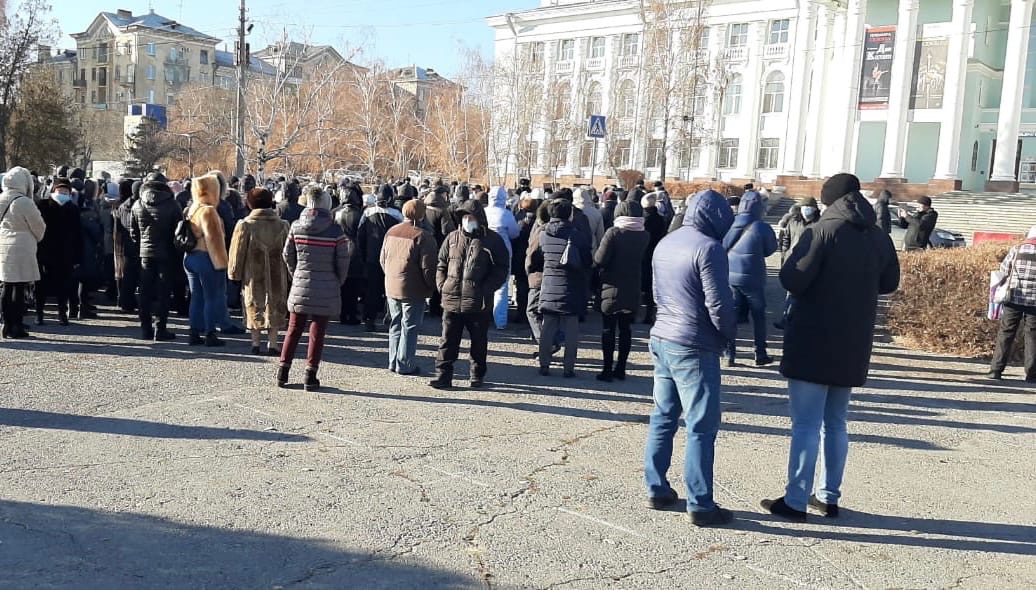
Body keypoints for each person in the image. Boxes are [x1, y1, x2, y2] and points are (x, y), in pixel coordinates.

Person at [761, 173, 900, 522]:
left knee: (806, 424)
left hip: (813, 337)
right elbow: (890, 282)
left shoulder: (821, 230)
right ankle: (828, 496)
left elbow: (793, 279)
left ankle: (795, 500)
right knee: (836, 423)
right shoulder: (878, 234)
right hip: (853, 341)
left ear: (829, 199)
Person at [643, 189, 736, 527]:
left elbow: (655, 293)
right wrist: (728, 336)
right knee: (701, 425)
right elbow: (719, 304)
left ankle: (656, 488)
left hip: (663, 336)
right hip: (694, 344)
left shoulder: (666, 242)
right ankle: (701, 504)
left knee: (663, 416)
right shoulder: (710, 248)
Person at [429, 200, 510, 390]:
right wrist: (442, 285)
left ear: (479, 219)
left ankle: (477, 375)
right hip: (452, 298)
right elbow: (441, 263)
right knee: (447, 341)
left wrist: (485, 290)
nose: (467, 220)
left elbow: (502, 268)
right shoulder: (452, 238)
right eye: (464, 217)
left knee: (479, 342)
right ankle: (443, 375)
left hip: (478, 301)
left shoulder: (493, 240)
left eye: (470, 217)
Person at [279, 186, 352, 392]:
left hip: (301, 281)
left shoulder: (296, 226)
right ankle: (310, 376)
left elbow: (287, 254)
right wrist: (338, 280)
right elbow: (343, 260)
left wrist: (296, 273)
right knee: (317, 331)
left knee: (293, 328)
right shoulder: (335, 231)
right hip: (326, 283)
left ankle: (283, 371)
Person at [530, 199, 592, 377]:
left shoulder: (542, 234)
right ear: (570, 214)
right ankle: (568, 368)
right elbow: (588, 261)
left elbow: (534, 260)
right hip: (572, 286)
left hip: (549, 284)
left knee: (548, 325)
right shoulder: (578, 235)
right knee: (572, 328)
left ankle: (544, 364)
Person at [228, 188, 290, 356]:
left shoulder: (245, 225)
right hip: (278, 273)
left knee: (254, 303)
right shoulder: (283, 225)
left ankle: (255, 343)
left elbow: (237, 252)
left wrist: (234, 273)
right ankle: (273, 344)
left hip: (253, 274)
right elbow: (290, 252)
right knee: (276, 304)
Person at [594, 200, 649, 382]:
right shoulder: (644, 235)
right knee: (626, 329)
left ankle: (607, 369)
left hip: (611, 285)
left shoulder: (614, 233)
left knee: (608, 329)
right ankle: (621, 368)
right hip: (632, 286)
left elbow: (600, 259)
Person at [381, 199, 437, 375]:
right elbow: (428, 268)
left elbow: (382, 259)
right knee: (410, 326)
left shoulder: (391, 232)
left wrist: (390, 275)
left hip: (391, 284)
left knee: (395, 323)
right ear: (421, 215)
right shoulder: (423, 236)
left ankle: (393, 361)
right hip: (413, 288)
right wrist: (432, 286)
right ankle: (405, 364)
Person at [723, 190, 778, 366]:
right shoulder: (762, 227)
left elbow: (722, 246)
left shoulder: (730, 224)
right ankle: (760, 352)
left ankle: (729, 353)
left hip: (731, 276)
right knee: (759, 316)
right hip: (753, 277)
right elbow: (770, 250)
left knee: (731, 314)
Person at [130, 172, 180, 341]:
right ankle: (161, 328)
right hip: (167, 254)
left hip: (145, 254)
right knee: (163, 293)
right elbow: (179, 232)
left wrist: (141, 246)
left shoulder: (138, 203)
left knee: (145, 292)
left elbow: (133, 232)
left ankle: (145, 329)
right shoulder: (172, 204)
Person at [184, 173, 230, 347]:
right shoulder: (209, 211)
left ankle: (194, 332)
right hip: (206, 257)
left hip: (190, 257)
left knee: (196, 296)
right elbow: (214, 240)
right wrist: (222, 263)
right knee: (211, 296)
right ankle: (210, 333)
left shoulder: (193, 207)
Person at [0, 166, 46, 339]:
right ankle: (17, 325)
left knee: (6, 285)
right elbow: (38, 225)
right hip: (22, 247)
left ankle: (6, 323)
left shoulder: (1, 198)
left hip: (3, 245)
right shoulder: (25, 202)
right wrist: (36, 237)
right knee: (19, 288)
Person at [987, 226, 1036, 383]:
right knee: (1033, 336)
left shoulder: (1017, 249)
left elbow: (1004, 269)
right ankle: (1031, 374)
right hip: (1035, 301)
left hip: (1014, 296)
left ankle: (996, 370)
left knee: (1006, 333)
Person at [35, 177, 81, 326]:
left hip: (65, 253)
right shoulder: (42, 205)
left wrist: (77, 257)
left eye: (65, 190)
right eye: (59, 190)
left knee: (64, 286)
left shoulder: (73, 209)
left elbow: (78, 234)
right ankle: (39, 314)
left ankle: (62, 314)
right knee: (41, 286)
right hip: (45, 252)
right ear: (53, 190)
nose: (62, 192)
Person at [357, 185, 401, 331]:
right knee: (391, 290)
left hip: (372, 257)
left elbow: (360, 236)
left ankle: (369, 318)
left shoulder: (368, 213)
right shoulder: (397, 215)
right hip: (392, 258)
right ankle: (390, 318)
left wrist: (364, 254)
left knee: (372, 289)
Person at [485, 186, 520, 330]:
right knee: (502, 286)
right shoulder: (506, 214)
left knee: (484, 283)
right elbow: (515, 233)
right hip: (504, 251)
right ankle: (500, 321)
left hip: (485, 250)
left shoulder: (484, 212)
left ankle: (483, 316)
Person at [333, 183, 366, 325]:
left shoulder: (335, 212)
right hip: (356, 251)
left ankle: (342, 313)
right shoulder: (361, 214)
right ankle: (351, 314)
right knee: (353, 286)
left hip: (339, 249)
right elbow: (363, 235)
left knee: (342, 284)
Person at [113, 179, 140, 312]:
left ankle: (124, 300)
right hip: (136, 244)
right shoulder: (139, 206)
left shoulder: (122, 206)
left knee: (125, 275)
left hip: (124, 243)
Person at [641, 193, 668, 324]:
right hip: (656, 253)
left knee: (642, 283)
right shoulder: (660, 219)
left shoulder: (642, 219)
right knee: (652, 285)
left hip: (644, 254)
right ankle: (650, 313)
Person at [511, 198, 538, 326]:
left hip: (520, 257)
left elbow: (514, 239)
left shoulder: (520, 222)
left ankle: (521, 312)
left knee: (521, 287)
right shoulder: (539, 223)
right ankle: (532, 311)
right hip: (534, 258)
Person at [574, 187, 605, 252]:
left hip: (574, 248)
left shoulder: (571, 211)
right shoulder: (596, 213)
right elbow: (600, 235)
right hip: (591, 248)